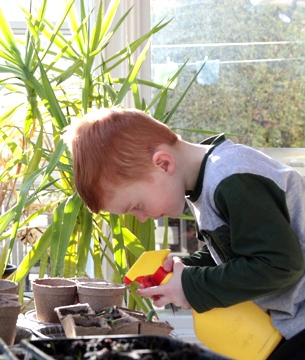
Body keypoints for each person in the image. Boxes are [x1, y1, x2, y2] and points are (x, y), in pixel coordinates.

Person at [64, 107, 305, 359]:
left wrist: (190, 286)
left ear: (163, 163)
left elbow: (280, 264)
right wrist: (184, 269)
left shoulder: (232, 179)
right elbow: (239, 250)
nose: (142, 217)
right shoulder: (206, 183)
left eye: (137, 206)